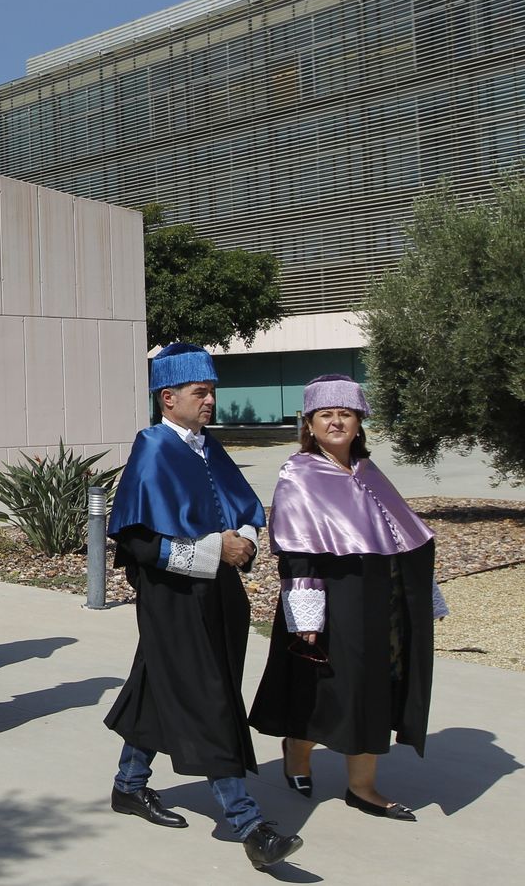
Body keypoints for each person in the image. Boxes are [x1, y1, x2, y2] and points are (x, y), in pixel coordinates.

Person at [104, 342, 303, 870]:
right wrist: (216, 549)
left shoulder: (208, 447)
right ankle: (248, 825)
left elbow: (242, 509)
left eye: (212, 391)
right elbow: (137, 542)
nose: (211, 400)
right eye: (201, 392)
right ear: (168, 398)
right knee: (207, 696)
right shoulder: (152, 448)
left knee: (162, 683)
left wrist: (243, 541)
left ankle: (129, 784)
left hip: (218, 596)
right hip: (172, 599)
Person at [249, 374, 444, 822]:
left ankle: (363, 787)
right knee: (322, 686)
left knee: (374, 689)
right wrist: (306, 615)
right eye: (326, 414)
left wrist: (420, 597)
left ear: (359, 422)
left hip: (380, 603)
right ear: (310, 424)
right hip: (331, 600)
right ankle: (298, 751)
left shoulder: (368, 471)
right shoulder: (298, 473)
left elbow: (404, 538)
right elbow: (295, 552)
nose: (336, 422)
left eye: (346, 414)